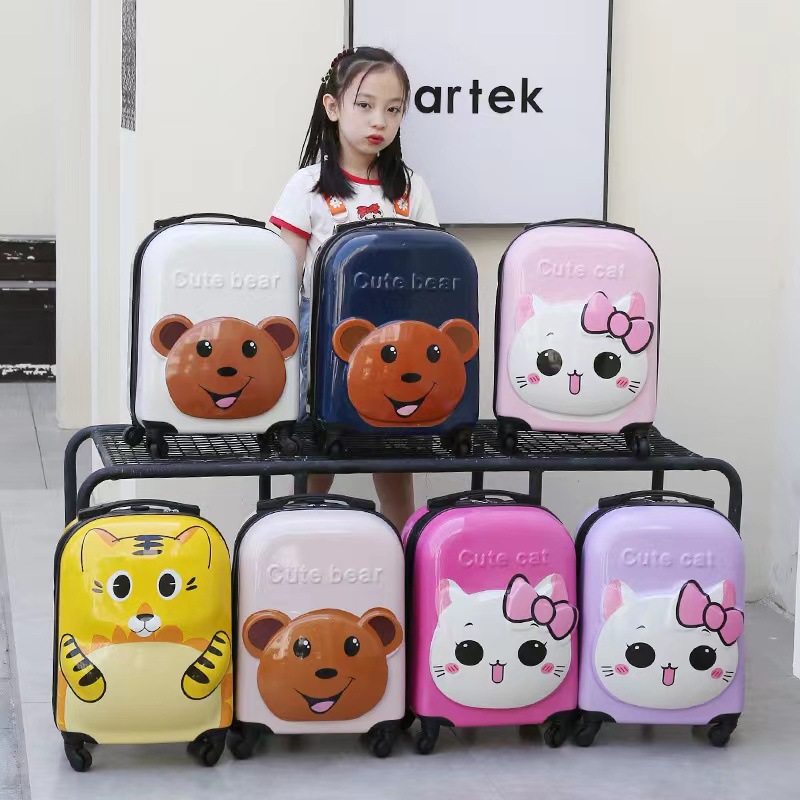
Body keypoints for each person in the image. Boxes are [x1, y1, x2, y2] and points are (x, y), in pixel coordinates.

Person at [270, 46, 439, 531]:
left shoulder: (410, 188)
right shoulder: (306, 188)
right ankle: (296, 541)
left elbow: (432, 268)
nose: (379, 121)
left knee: (395, 455)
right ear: (333, 106)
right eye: (364, 105)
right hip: (324, 343)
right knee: (318, 453)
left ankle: (405, 553)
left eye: (393, 109)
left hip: (399, 340)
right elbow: (282, 279)